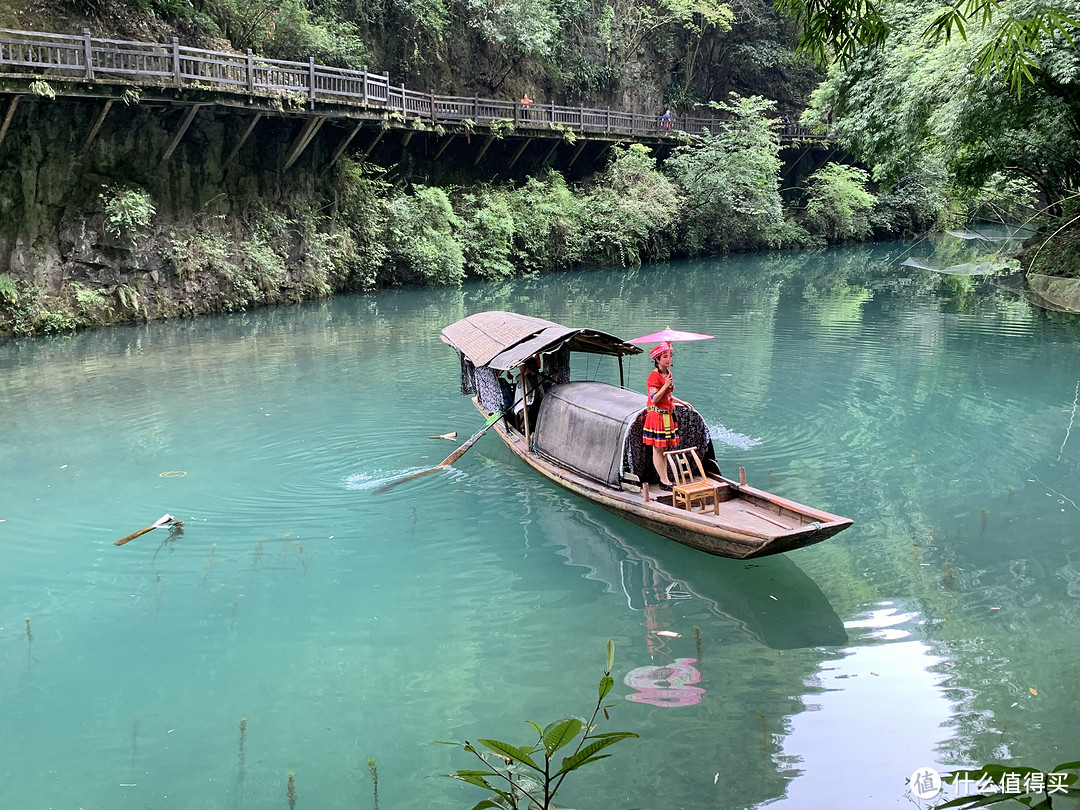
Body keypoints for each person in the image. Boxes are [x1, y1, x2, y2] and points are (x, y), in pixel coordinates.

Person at [642, 342, 690, 488]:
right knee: (657, 448)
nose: (668, 359)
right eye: (665, 357)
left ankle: (665, 479)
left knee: (664, 448)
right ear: (657, 359)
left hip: (668, 415)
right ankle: (664, 481)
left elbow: (667, 396)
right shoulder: (653, 377)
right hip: (656, 416)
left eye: (669, 356)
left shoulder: (668, 374)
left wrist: (681, 401)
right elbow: (654, 399)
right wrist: (665, 385)